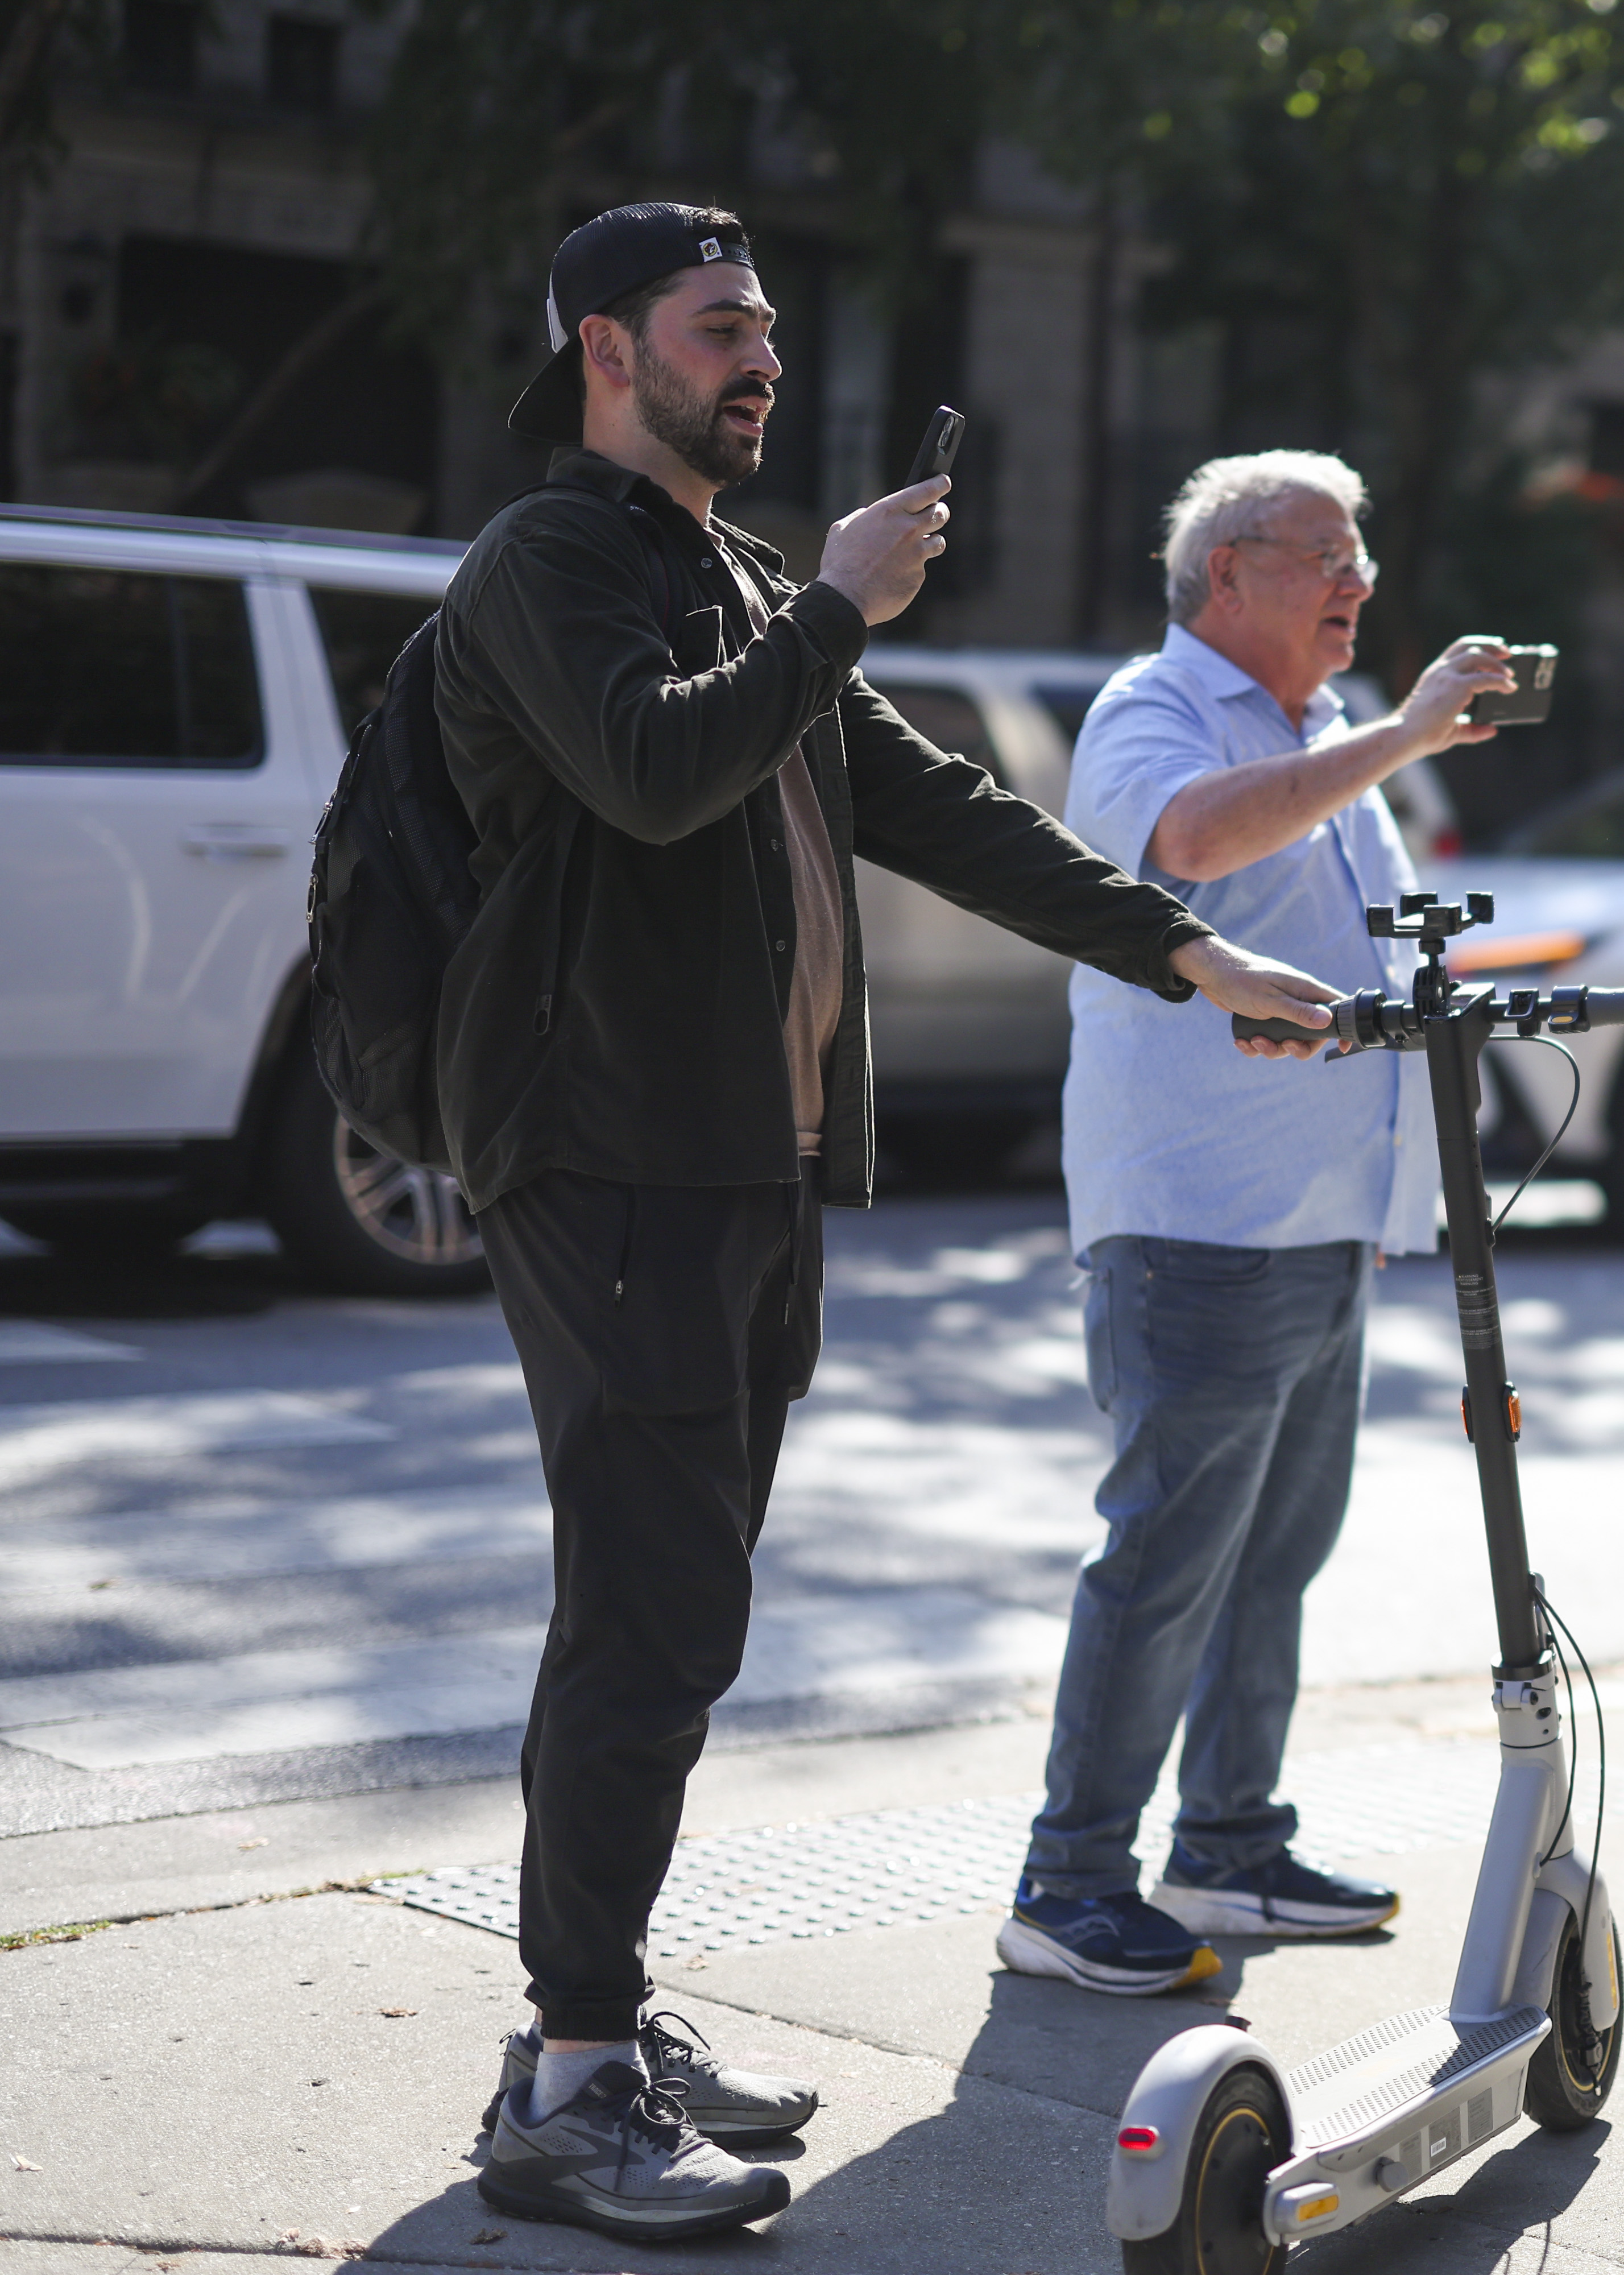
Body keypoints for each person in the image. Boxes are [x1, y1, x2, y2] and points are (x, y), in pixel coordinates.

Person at [437, 205, 1338, 2244]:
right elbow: (658, 775)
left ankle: (598, 2027)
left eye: (768, 327)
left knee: (679, 1613)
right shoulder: (552, 561)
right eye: (718, 328)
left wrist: (1186, 950)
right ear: (606, 348)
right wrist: (835, 608)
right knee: (649, 1617)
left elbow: (932, 811)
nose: (761, 359)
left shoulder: (728, 576)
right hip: (612, 1165)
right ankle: (570, 2083)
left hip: (743, 1172)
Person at [997, 452, 1516, 1996]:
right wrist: (1410, 737)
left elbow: (1358, 944)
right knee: (1166, 1557)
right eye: (1324, 559)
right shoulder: (1152, 713)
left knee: (1273, 1553)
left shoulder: (1324, 729)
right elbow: (1195, 850)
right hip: (1200, 1217)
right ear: (1229, 575)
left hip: (1320, 1215)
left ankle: (1226, 1845)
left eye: (1361, 558)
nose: (1357, 583)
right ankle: (1069, 1879)